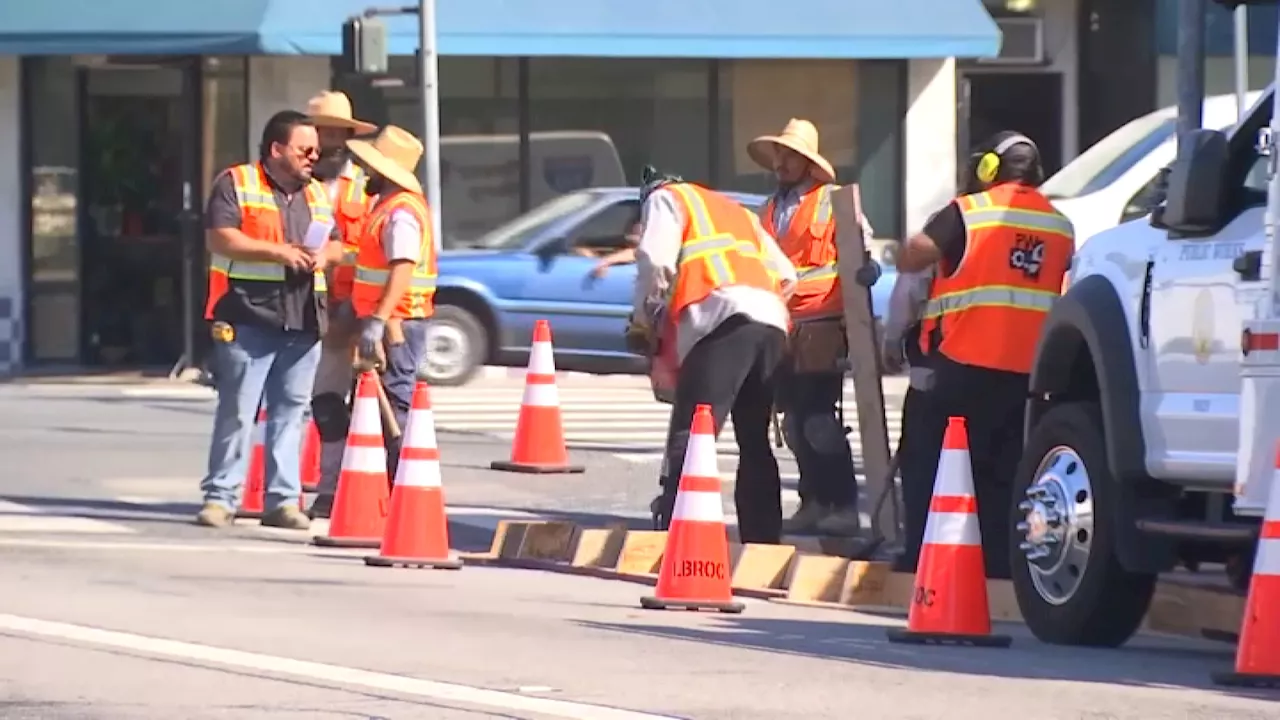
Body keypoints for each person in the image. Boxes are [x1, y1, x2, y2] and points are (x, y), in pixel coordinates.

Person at [895, 131, 1075, 579]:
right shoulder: (1059, 225)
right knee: (1005, 474)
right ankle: (996, 567)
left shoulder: (969, 213)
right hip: (1029, 374)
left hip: (963, 364)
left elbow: (912, 258)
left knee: (928, 464)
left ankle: (924, 557)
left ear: (987, 169)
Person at [628, 165, 797, 545]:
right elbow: (788, 277)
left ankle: (677, 531)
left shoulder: (665, 199)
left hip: (722, 319)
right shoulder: (737, 212)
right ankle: (763, 538)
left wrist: (645, 318)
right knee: (754, 437)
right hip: (770, 320)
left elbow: (656, 261)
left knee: (694, 431)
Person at [197, 110, 345, 529]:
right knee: (238, 411)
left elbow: (337, 246)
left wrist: (323, 256)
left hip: (303, 319)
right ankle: (220, 497)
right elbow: (220, 237)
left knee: (292, 413)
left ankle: (282, 501)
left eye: (315, 149)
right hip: (249, 314)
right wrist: (279, 252)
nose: (313, 156)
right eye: (305, 149)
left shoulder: (315, 192)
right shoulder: (236, 183)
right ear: (277, 149)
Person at [748, 119, 864, 537]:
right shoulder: (767, 210)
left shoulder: (833, 202)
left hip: (822, 323)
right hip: (781, 322)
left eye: (789, 155)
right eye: (778, 154)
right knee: (793, 423)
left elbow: (857, 252)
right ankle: (814, 501)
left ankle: (843, 505)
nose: (780, 162)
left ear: (808, 162)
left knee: (818, 421)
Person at [302, 92, 379, 520]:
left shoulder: (367, 186)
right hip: (305, 306)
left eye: (336, 133)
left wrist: (353, 307)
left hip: (354, 308)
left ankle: (362, 488)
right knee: (324, 402)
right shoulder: (295, 185)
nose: (327, 142)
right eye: (321, 132)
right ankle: (329, 488)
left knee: (364, 400)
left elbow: (372, 249)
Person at [346, 125, 437, 481]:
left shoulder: (400, 212)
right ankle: (392, 483)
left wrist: (378, 320)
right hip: (392, 322)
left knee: (396, 406)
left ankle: (402, 482)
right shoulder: (390, 207)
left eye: (372, 168)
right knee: (384, 405)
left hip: (397, 325)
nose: (367, 173)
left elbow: (402, 267)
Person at [880, 265, 937, 572]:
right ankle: (996, 561)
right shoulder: (1055, 227)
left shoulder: (959, 223)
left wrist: (892, 341)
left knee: (922, 466)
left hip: (943, 368)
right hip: (1020, 374)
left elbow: (909, 291)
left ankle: (919, 552)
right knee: (997, 471)